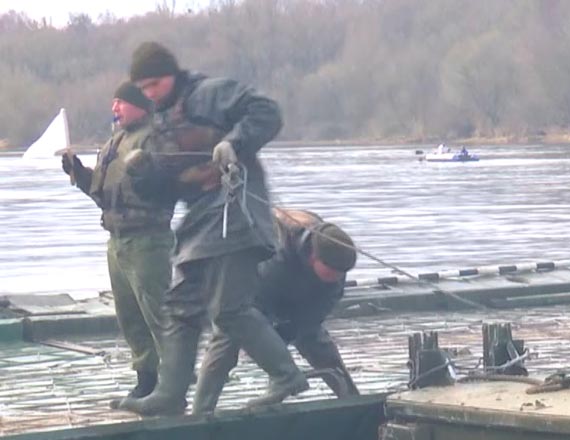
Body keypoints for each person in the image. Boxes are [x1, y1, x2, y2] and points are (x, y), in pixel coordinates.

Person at [119, 41, 308, 417]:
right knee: (180, 306)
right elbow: (170, 187)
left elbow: (267, 111)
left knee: (229, 309)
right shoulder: (159, 125)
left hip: (237, 207)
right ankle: (170, 393)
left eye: (155, 84)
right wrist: (144, 175)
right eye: (144, 89)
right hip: (199, 219)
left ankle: (285, 375)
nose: (150, 94)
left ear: (172, 75)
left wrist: (232, 143)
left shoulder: (210, 93)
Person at [62, 82, 176, 407]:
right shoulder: (114, 142)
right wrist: (80, 174)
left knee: (159, 314)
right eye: (113, 103)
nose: (115, 109)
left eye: (121, 103)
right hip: (118, 241)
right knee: (129, 316)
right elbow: (103, 195)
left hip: (149, 241)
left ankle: (175, 383)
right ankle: (147, 380)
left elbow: (168, 183)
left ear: (140, 106)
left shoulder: (155, 139)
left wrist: (150, 175)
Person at [193, 207, 360, 414]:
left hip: (300, 296)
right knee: (225, 341)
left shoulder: (336, 256)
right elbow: (251, 307)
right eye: (333, 272)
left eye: (341, 274)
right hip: (248, 292)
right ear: (314, 257)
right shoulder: (275, 257)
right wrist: (271, 343)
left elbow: (322, 307)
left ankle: (353, 401)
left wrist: (296, 329)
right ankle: (200, 412)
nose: (337, 277)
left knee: (316, 342)